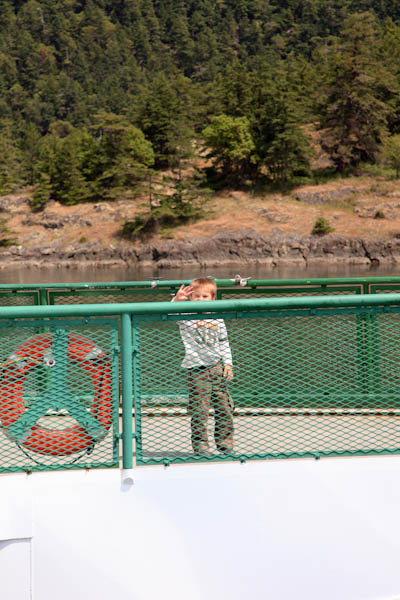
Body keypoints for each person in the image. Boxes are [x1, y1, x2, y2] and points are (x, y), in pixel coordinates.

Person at [172, 278, 234, 455]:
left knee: (224, 407)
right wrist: (177, 300)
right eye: (196, 296)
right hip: (197, 370)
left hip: (217, 367)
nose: (200, 299)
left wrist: (228, 364)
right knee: (200, 410)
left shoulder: (218, 318)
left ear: (213, 299)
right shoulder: (186, 317)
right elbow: (171, 313)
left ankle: (225, 443)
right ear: (191, 298)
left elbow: (224, 342)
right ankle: (201, 445)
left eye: (205, 296)